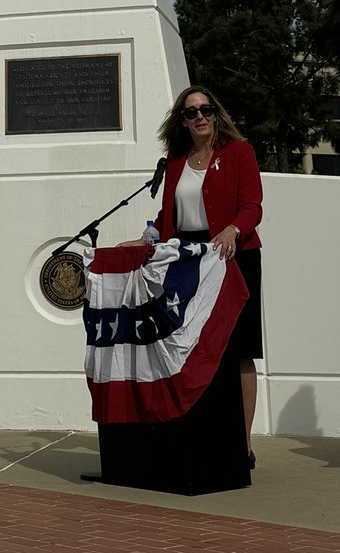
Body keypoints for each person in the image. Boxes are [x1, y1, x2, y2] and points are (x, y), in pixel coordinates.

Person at [124, 85, 263, 468]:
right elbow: (169, 221)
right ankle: (197, 436)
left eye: (205, 109)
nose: (199, 116)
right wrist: (145, 240)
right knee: (190, 346)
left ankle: (243, 444)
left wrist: (234, 229)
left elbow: (252, 205)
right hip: (189, 262)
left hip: (233, 256)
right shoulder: (175, 161)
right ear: (182, 121)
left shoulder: (239, 152)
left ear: (216, 114)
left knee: (238, 350)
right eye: (190, 112)